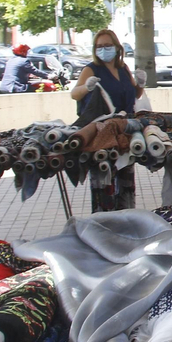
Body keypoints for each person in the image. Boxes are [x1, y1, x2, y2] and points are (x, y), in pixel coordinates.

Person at [69, 29, 144, 212]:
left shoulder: (123, 68)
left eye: (107, 45)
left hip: (124, 132)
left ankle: (127, 222)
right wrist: (87, 88)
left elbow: (133, 94)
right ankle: (103, 226)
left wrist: (140, 84)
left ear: (117, 48)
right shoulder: (91, 69)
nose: (104, 49)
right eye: (99, 46)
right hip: (101, 135)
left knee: (126, 183)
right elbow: (74, 94)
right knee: (104, 186)